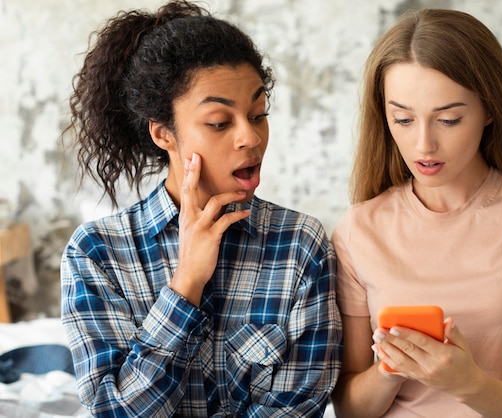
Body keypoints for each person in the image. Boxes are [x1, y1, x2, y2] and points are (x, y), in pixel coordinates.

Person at [60, 1, 341, 416]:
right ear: (163, 133)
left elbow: (297, 406)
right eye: (219, 122)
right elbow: (114, 411)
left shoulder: (300, 244)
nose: (251, 138)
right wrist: (186, 282)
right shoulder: (97, 253)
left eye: (258, 114)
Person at [330, 8, 502, 418]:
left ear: (491, 111)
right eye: (402, 118)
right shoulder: (357, 230)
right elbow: (349, 407)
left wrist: (467, 383)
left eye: (449, 119)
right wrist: (390, 370)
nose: (423, 145)